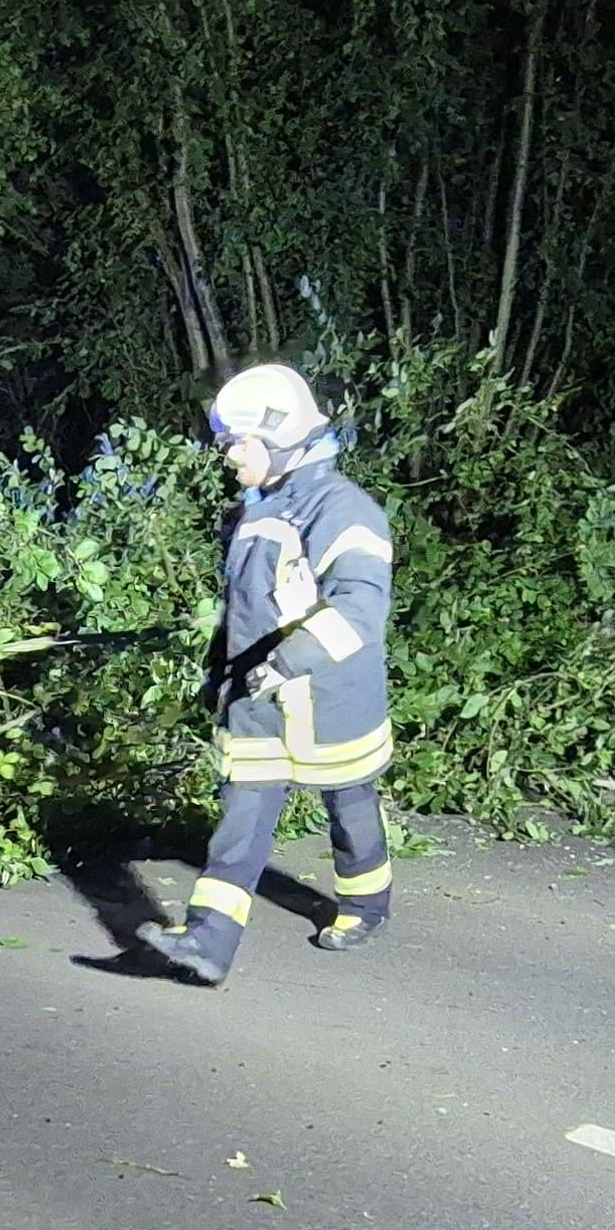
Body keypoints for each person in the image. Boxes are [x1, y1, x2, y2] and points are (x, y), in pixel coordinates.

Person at [136, 364, 396, 985]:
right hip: (257, 699)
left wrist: (286, 662)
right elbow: (246, 607)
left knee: (351, 804)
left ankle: (366, 906)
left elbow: (360, 609)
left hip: (329, 698)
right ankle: (209, 941)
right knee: (242, 815)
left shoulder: (343, 510)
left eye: (238, 443)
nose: (228, 455)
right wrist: (219, 672)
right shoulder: (256, 510)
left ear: (280, 440)